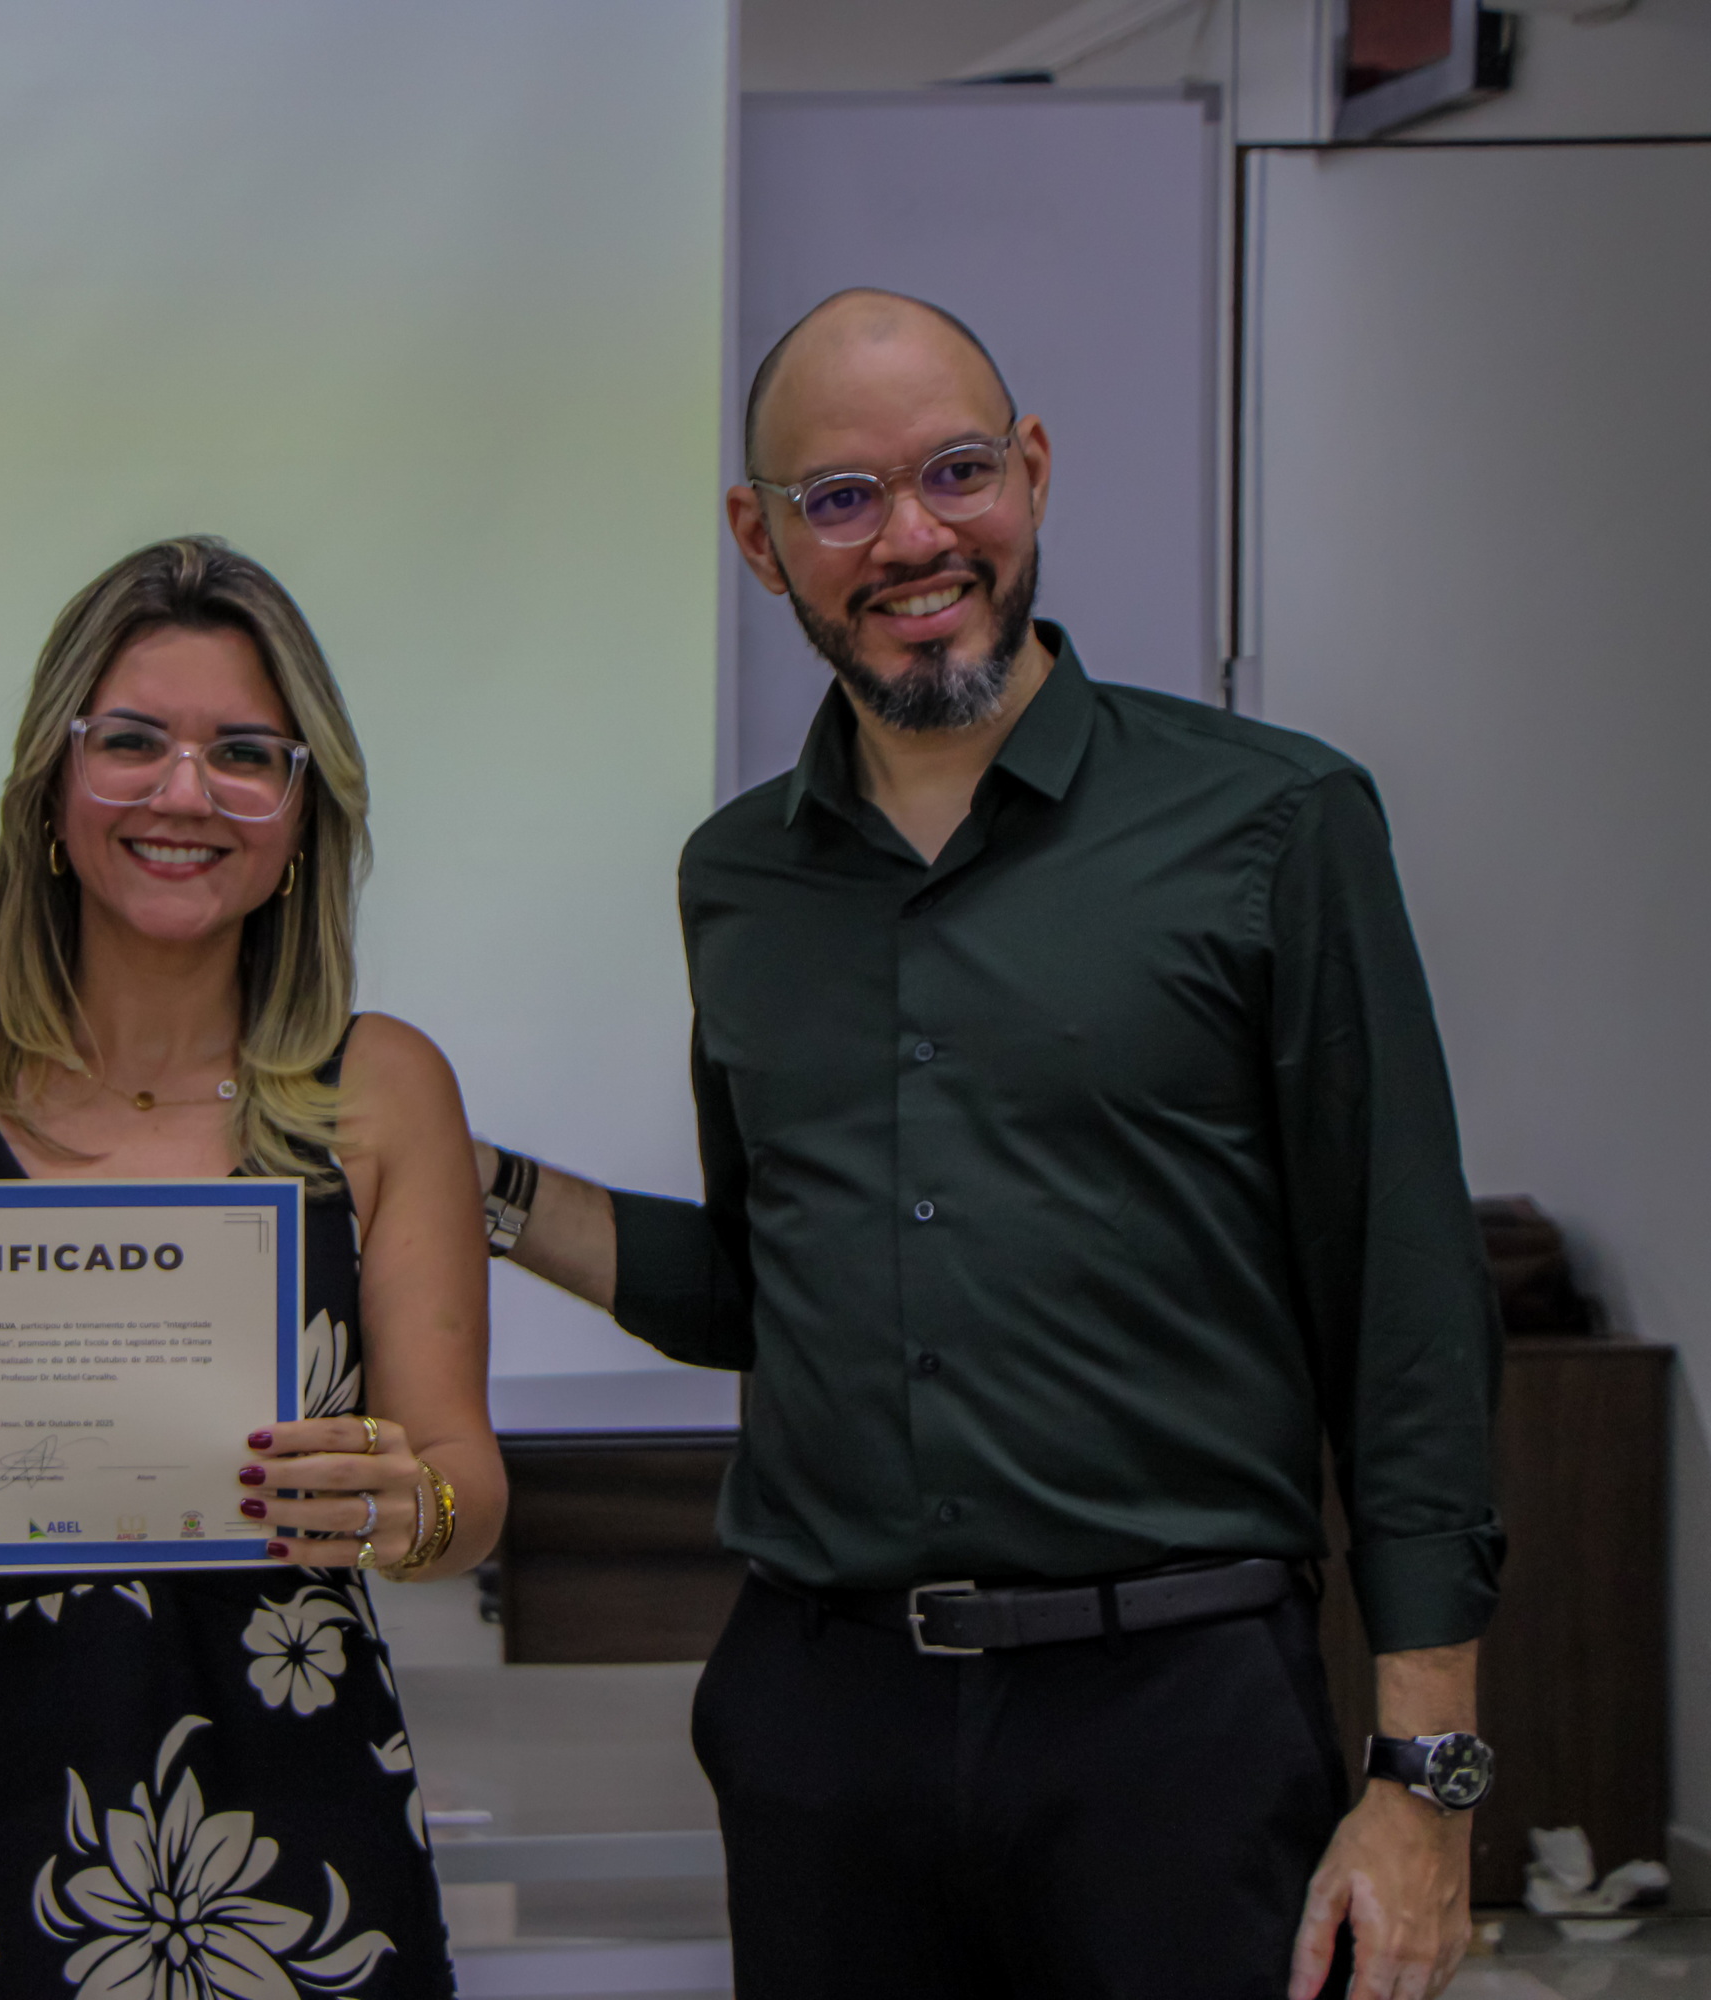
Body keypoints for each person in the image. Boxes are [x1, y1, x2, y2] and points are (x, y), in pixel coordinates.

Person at [478, 291, 1502, 2000]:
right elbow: (766, 1288)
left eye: (956, 472)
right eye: (841, 498)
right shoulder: (738, 880)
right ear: (760, 539)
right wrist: (477, 1190)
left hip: (1175, 1723)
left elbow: (1408, 1316)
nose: (912, 538)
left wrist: (1428, 1778)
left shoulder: (1275, 823)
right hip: (826, 1726)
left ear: (1031, 470)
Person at [0, 537, 501, 2000]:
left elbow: (463, 1491)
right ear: (53, 784)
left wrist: (410, 1506)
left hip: (292, 1833)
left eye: (244, 754)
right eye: (131, 741)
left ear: (301, 812)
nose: (185, 794)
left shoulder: (380, 1091)